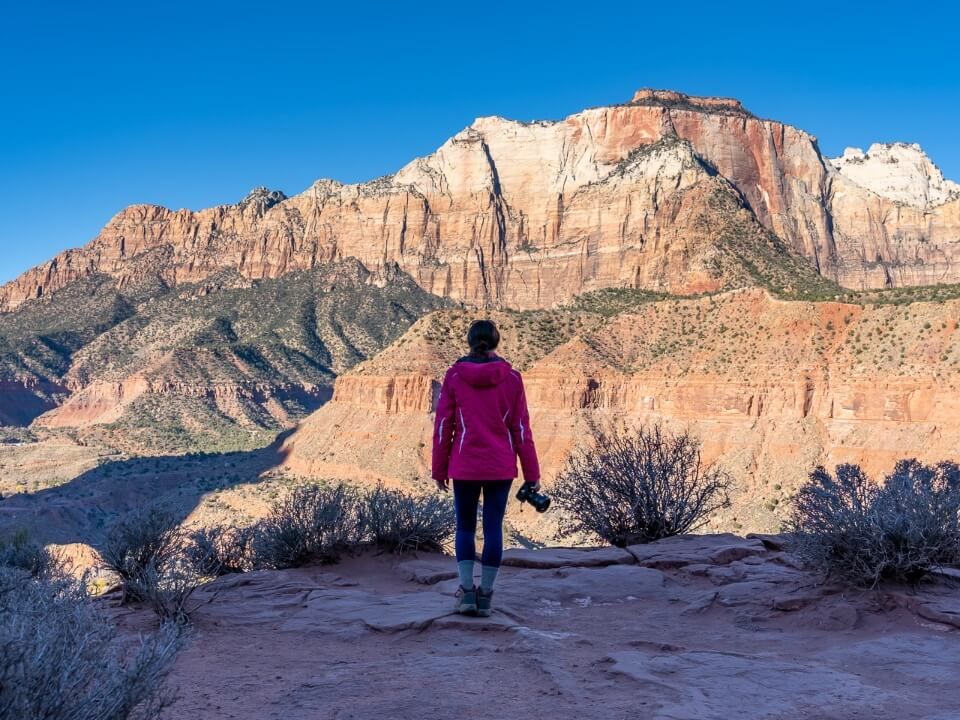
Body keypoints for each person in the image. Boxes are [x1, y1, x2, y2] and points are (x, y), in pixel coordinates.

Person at [431, 319, 541, 617]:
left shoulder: (454, 377)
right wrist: (532, 474)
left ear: (469, 342)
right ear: (496, 342)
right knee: (493, 529)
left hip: (464, 465)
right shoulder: (513, 378)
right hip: (500, 467)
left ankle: (466, 593)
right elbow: (521, 429)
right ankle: (487, 596)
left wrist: (439, 469)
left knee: (465, 527)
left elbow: (444, 427)